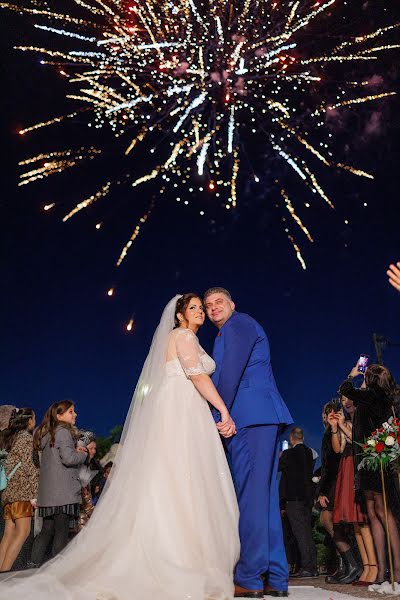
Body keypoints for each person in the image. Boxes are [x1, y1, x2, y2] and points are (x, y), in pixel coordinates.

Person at [0, 294, 239, 600]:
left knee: (168, 480)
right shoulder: (184, 336)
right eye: (193, 308)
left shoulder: (172, 339)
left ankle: (166, 550)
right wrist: (223, 409)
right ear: (180, 315)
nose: (200, 313)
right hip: (184, 411)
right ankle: (182, 556)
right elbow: (196, 376)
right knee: (185, 478)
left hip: (174, 410)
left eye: (200, 308)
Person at [204, 287, 293, 599]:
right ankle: (276, 577)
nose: (214, 308)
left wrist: (217, 415)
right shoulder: (233, 328)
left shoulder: (238, 324)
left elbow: (229, 375)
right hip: (260, 416)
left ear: (232, 304)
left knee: (251, 500)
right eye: (208, 305)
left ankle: (250, 577)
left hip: (249, 417)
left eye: (219, 302)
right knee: (264, 499)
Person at [339, 362, 400, 585]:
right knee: (376, 512)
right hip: (369, 460)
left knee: (383, 513)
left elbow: (345, 389)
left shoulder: (373, 394)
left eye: (366, 376)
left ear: (372, 379)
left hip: (374, 460)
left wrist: (353, 373)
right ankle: (384, 571)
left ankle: (394, 570)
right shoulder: (380, 396)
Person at [30, 401, 88, 566]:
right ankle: (56, 571)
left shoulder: (48, 434)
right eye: (71, 411)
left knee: (47, 531)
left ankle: (32, 565)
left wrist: (72, 451)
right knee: (61, 533)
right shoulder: (63, 432)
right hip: (63, 493)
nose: (75, 414)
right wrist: (83, 455)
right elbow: (68, 459)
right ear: (59, 415)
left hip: (49, 494)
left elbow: (57, 457)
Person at [329, 397, 377, 586]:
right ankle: (366, 566)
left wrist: (343, 426)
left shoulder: (364, 420)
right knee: (355, 522)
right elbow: (338, 449)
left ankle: (374, 567)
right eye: (343, 400)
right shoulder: (345, 422)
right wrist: (335, 428)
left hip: (359, 468)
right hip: (346, 466)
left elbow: (359, 443)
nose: (346, 402)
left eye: (349, 399)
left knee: (363, 519)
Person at [0, 408, 39, 572]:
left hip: (8, 494)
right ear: (29, 420)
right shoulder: (25, 439)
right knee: (23, 532)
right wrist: (36, 494)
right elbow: (31, 468)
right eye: (34, 418)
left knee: (8, 533)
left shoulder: (10, 438)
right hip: (21, 493)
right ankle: (4, 573)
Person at [279, 427, 318, 579]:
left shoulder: (288, 454)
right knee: (306, 532)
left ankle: (308, 567)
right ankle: (311, 566)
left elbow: (278, 467)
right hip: (307, 498)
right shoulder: (310, 453)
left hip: (293, 498)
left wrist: (281, 456)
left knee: (299, 533)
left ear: (291, 439)